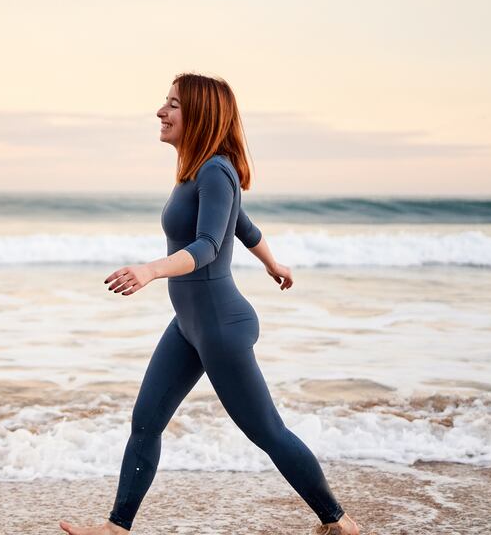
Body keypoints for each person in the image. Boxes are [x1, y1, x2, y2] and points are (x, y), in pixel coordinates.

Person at [59, 73, 360, 535]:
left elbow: (208, 247)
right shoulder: (198, 173)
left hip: (221, 326)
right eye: (166, 102)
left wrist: (151, 269)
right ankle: (117, 527)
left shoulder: (216, 170)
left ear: (200, 114)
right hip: (189, 323)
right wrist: (272, 262)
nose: (161, 112)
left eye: (173, 104)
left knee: (267, 432)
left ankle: (339, 522)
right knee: (145, 422)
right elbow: (242, 224)